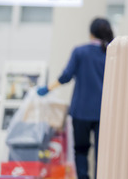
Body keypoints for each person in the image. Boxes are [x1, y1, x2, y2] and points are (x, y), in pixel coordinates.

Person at [37, 17, 114, 179]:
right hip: (104, 112)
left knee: (81, 150)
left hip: (81, 111)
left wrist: (47, 88)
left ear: (91, 33)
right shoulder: (111, 54)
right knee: (102, 152)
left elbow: (65, 76)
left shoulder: (80, 52)